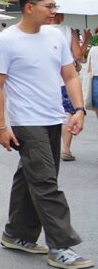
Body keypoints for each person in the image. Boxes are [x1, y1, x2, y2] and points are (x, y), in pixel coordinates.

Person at [0, 0, 92, 269]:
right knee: (46, 182)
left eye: (54, 5)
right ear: (29, 7)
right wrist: (1, 126)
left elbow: (70, 75)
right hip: (26, 121)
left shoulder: (55, 36)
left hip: (53, 117)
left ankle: (16, 234)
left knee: (30, 176)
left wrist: (78, 109)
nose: (54, 11)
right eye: (49, 6)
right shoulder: (6, 41)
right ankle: (60, 246)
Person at [51, 12, 83, 161]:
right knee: (67, 112)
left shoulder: (38, 29)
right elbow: (78, 55)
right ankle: (66, 149)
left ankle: (48, 148)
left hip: (45, 80)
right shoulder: (68, 31)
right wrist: (86, 39)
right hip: (65, 78)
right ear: (60, 15)